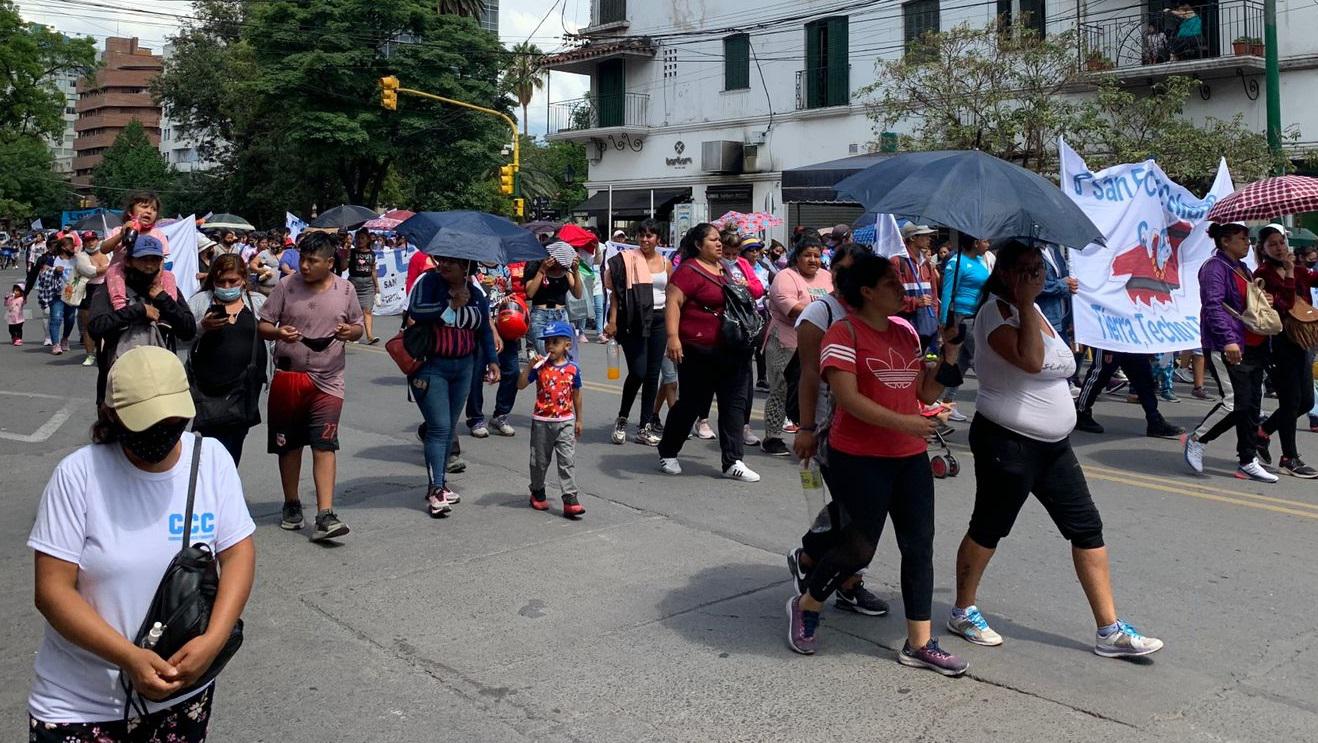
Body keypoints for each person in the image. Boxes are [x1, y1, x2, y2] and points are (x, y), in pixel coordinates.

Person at [26, 346, 255, 743]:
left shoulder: (212, 460)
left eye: (171, 421)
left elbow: (237, 554)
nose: (161, 432)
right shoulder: (79, 475)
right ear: (112, 415)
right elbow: (51, 591)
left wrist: (212, 640)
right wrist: (128, 658)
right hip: (81, 704)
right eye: (146, 423)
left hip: (183, 694)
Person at [947, 241, 1164, 658]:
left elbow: (1058, 360)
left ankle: (1109, 630)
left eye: (1039, 270)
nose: (1036, 277)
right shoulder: (995, 313)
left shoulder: (1035, 308)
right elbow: (1030, 360)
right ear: (1006, 273)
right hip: (1007, 442)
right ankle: (963, 609)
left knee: (1086, 527)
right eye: (1026, 270)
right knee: (989, 527)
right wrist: (1027, 304)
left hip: (1054, 446)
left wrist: (1034, 306)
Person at [785, 252, 967, 676]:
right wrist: (912, 422)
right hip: (859, 457)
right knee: (858, 546)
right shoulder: (842, 333)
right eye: (891, 282)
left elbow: (923, 390)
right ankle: (807, 604)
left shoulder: (906, 333)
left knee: (918, 545)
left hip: (909, 458)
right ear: (866, 291)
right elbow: (849, 399)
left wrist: (950, 355)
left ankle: (919, 643)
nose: (902, 289)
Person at [786, 245, 890, 617]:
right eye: (844, 271)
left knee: (862, 507)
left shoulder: (874, 309)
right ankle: (832, 570)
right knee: (856, 509)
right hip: (835, 429)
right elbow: (809, 376)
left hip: (877, 430)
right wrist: (807, 427)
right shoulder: (821, 311)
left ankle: (820, 561)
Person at [257, 231, 365, 541]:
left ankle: (325, 514)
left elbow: (358, 326)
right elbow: (263, 325)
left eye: (312, 261)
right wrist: (278, 334)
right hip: (290, 377)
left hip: (329, 380)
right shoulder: (285, 286)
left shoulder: (346, 290)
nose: (304, 266)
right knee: (289, 446)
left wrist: (351, 331)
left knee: (324, 444)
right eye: (302, 259)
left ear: (330, 263)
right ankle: (291, 503)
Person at [656, 224, 760, 483]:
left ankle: (733, 461)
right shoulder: (688, 271)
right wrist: (673, 338)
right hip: (698, 349)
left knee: (734, 404)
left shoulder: (726, 268)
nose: (718, 244)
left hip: (732, 348)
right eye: (712, 240)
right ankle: (668, 451)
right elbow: (673, 303)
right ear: (698, 245)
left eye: (719, 239)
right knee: (692, 403)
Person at [407, 253, 500, 516]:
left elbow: (482, 328)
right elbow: (416, 310)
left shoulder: (477, 292)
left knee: (447, 429)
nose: (444, 265)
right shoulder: (428, 282)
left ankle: (441, 484)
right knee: (439, 428)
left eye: (452, 261)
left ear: (467, 266)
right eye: (441, 260)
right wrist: (450, 306)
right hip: (431, 367)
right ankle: (436, 489)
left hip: (464, 369)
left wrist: (492, 360)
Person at [1184, 222, 1277, 482]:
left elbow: (1247, 303)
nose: (1248, 242)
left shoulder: (1243, 268)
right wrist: (1228, 341)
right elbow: (1213, 306)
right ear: (1225, 241)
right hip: (1229, 346)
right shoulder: (1214, 268)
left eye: (1248, 238)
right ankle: (1198, 439)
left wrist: (1263, 299)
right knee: (1234, 402)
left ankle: (1248, 459)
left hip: (1254, 345)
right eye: (1242, 238)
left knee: (1251, 406)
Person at [88, 235, 196, 407]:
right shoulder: (111, 288)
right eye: (143, 259)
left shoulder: (167, 290)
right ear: (129, 261)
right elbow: (96, 327)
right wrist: (137, 310)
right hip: (120, 385)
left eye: (155, 260)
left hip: (162, 385)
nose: (149, 265)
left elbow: (188, 330)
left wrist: (163, 298)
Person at [187, 253, 268, 466]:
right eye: (220, 281)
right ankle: (212, 489)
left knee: (235, 440)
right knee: (212, 445)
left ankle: (225, 485)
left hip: (245, 388)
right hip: (207, 390)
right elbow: (182, 336)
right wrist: (202, 327)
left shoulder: (258, 302)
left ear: (243, 279)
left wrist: (275, 371)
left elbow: (272, 338)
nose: (226, 286)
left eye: (233, 281)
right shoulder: (199, 302)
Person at [1254, 225, 1318, 477]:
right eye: (1273, 244)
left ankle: (1263, 432)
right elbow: (1285, 305)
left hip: (1301, 342)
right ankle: (1289, 457)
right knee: (1290, 401)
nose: (1280, 247)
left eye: (1281, 242)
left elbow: (1313, 278)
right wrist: (1290, 274)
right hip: (1279, 344)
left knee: (1306, 401)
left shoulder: (1300, 270)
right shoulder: (1263, 274)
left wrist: (1295, 271)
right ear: (1264, 249)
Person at [604, 218, 671, 446]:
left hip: (659, 320)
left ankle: (644, 426)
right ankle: (622, 418)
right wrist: (612, 321)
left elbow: (670, 296)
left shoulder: (665, 263)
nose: (644, 239)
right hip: (633, 321)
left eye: (650, 235)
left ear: (658, 239)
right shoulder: (628, 261)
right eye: (641, 235)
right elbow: (616, 294)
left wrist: (673, 330)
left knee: (653, 375)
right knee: (639, 371)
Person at [762, 239, 832, 456]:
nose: (813, 260)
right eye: (808, 255)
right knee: (781, 389)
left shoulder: (827, 277)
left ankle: (816, 434)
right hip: (787, 341)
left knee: (818, 390)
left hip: (820, 342)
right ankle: (772, 437)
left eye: (817, 256)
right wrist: (827, 314)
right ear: (797, 257)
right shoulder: (785, 277)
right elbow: (793, 309)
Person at [519, 321, 585, 517]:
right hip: (542, 422)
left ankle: (570, 498)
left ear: (567, 345)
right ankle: (538, 491)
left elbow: (577, 395)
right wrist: (529, 368)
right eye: (547, 342)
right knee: (539, 462)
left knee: (567, 460)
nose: (549, 346)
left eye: (555, 342)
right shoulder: (540, 367)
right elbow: (520, 385)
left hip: (565, 421)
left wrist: (579, 419)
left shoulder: (573, 369)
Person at [938, 238, 993, 421]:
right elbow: (946, 292)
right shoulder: (956, 262)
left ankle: (946, 404)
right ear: (975, 242)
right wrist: (944, 320)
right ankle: (996, 400)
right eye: (986, 241)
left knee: (960, 363)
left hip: (975, 315)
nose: (989, 245)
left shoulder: (979, 261)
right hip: (961, 317)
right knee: (981, 360)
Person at [1074, 351, 1184, 438]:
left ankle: (1154, 420)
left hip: (1131, 341)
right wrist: (1107, 349)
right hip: (1111, 339)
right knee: (1099, 376)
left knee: (1145, 379)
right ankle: (1081, 412)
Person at [525, 241, 583, 356]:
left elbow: (578, 294)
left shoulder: (566, 271)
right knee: (546, 355)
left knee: (563, 355)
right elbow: (530, 293)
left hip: (561, 314)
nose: (558, 269)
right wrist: (542, 270)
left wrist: (576, 271)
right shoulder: (535, 265)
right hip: (540, 315)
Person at [892, 223, 942, 352]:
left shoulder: (926, 264)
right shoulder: (897, 262)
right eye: (925, 235)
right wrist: (915, 302)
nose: (929, 239)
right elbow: (891, 297)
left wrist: (935, 320)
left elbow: (934, 296)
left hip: (928, 328)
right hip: (907, 328)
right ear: (913, 238)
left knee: (931, 364)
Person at [74, 231, 109, 367]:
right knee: (88, 325)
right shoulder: (81, 256)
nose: (91, 242)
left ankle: (106, 351)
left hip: (107, 287)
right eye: (87, 240)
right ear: (84, 242)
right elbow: (90, 271)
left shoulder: (108, 252)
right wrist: (106, 268)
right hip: (88, 290)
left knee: (108, 321)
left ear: (97, 240)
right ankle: (90, 354)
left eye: (93, 239)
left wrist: (101, 268)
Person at [38, 237, 77, 355]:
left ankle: (65, 338)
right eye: (71, 246)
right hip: (57, 294)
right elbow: (42, 273)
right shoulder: (53, 259)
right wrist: (55, 270)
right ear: (64, 248)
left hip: (72, 294)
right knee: (56, 318)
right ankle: (56, 344)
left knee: (70, 319)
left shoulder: (76, 259)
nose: (73, 248)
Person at [346, 230, 382, 344]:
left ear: (368, 240)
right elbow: (344, 266)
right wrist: (346, 254)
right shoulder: (351, 252)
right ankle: (350, 334)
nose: (360, 240)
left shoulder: (372, 254)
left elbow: (373, 271)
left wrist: (377, 286)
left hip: (368, 285)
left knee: (367, 310)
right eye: (358, 238)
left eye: (362, 238)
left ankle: (370, 336)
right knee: (352, 311)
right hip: (354, 283)